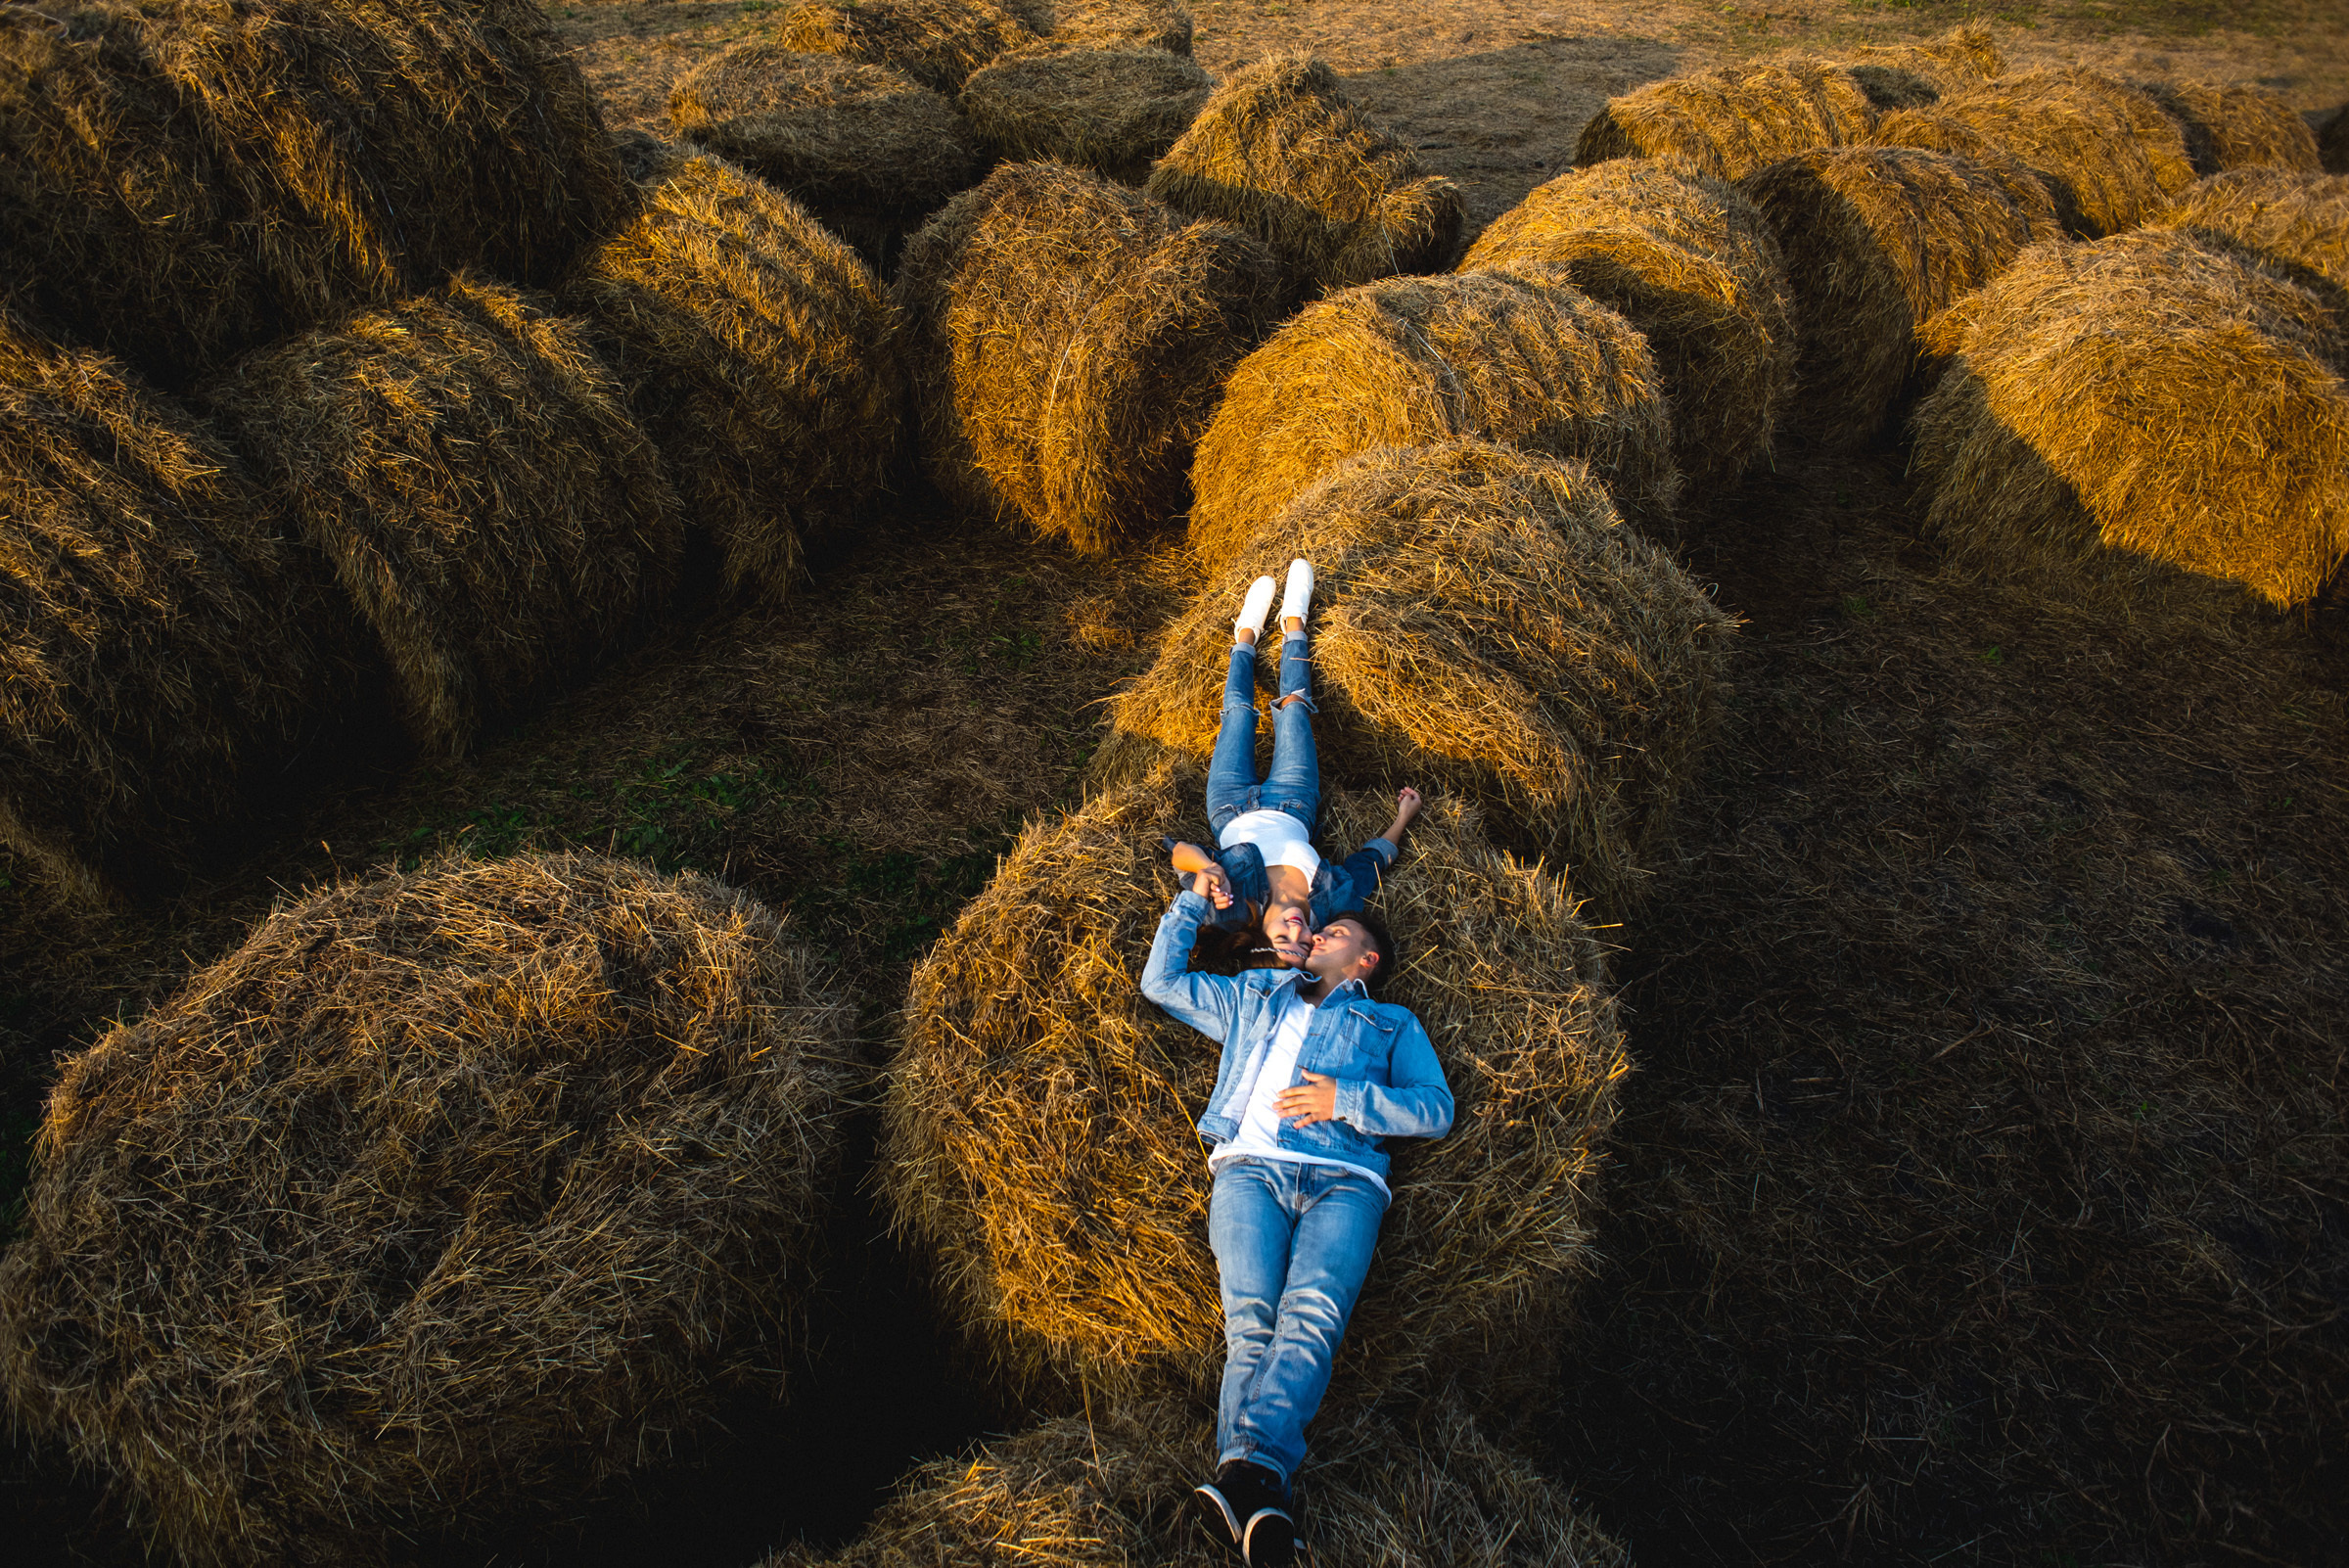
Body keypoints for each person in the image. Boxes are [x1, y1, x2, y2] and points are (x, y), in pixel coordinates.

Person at [1141, 840, 1452, 1565]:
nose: (1316, 935)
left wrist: (1347, 1099)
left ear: (1365, 960)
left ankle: (1244, 1477)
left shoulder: (1391, 1023)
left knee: (1312, 1317)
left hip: (1346, 1182)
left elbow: (1435, 1109)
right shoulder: (1254, 994)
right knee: (1251, 1323)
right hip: (1249, 1170)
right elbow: (1162, 983)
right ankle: (1261, 1487)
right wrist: (1193, 898)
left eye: (1334, 932)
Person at [1164, 559, 1421, 967]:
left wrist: (1210, 868)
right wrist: (1404, 817)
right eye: (1305, 943)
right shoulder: (1332, 902)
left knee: (1238, 714)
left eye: (1283, 938)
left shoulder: (1229, 910)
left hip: (1228, 804)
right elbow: (1371, 863)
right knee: (1295, 708)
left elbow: (1178, 852)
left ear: (1261, 939)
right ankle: (1294, 624)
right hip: (1294, 801)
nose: (1298, 930)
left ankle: (1245, 636)